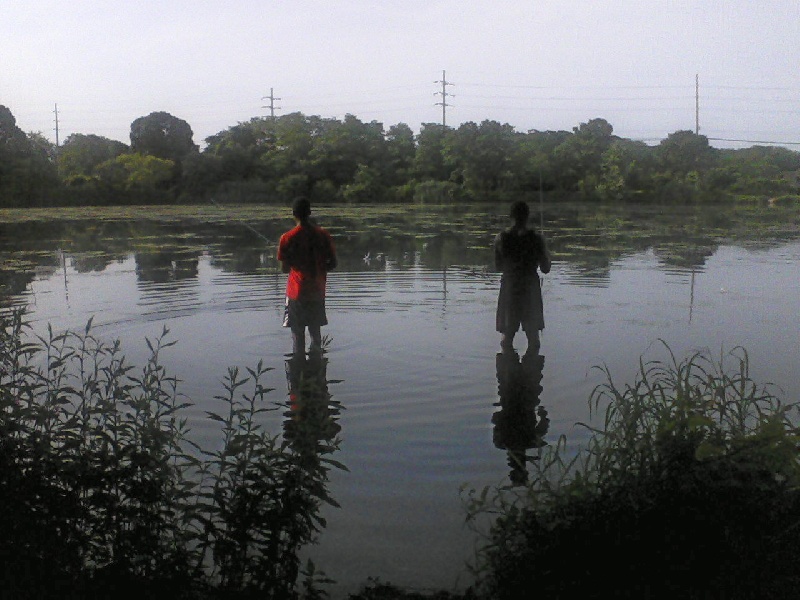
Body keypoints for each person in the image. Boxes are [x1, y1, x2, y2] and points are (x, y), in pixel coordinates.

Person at [277, 197, 337, 355]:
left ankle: (299, 373)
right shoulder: (323, 235)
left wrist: (294, 262)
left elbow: (284, 269)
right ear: (310, 213)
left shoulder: (287, 238)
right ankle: (317, 372)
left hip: (296, 293)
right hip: (317, 290)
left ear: (293, 214)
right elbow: (333, 264)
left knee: (298, 337)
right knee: (316, 335)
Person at [494, 200, 551, 353]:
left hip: (510, 287)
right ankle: (532, 371)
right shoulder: (537, 239)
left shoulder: (501, 238)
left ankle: (508, 369)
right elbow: (546, 269)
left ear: (511, 216)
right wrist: (545, 250)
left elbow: (498, 267)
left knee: (507, 339)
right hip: (530, 288)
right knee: (534, 340)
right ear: (528, 216)